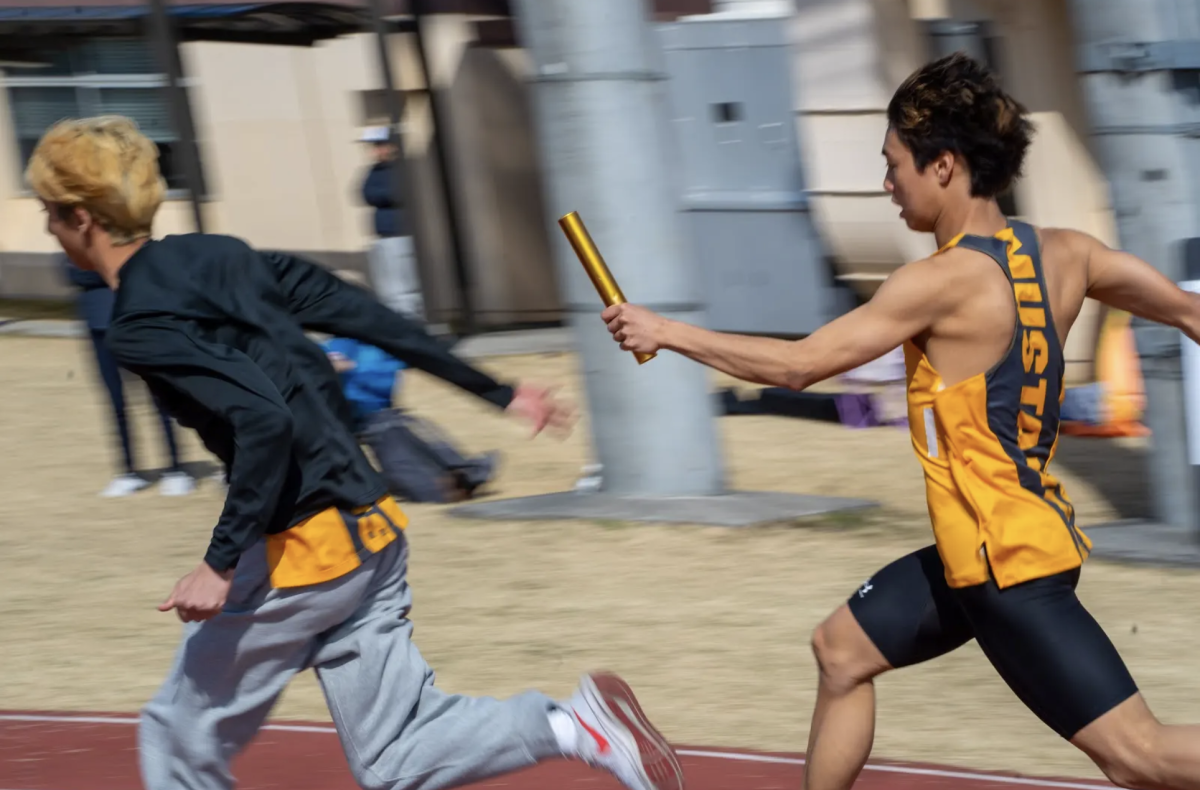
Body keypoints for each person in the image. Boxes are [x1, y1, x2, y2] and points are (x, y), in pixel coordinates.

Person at [27, 115, 683, 790]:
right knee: (395, 756)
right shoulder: (220, 255)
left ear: (82, 217)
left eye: (51, 213)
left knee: (177, 735)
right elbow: (358, 311)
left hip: (299, 557)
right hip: (372, 532)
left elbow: (263, 422)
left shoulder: (137, 325)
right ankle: (578, 726)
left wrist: (219, 564)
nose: (49, 229)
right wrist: (495, 391)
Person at [602, 52, 1200, 790]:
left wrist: (668, 332)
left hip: (1004, 568)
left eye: (894, 166)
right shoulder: (1068, 254)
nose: (886, 185)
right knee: (841, 651)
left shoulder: (937, 283)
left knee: (1138, 757)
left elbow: (799, 367)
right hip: (998, 544)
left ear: (943, 165)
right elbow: (1188, 312)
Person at [323, 269, 498, 502]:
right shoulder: (339, 343)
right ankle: (442, 481)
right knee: (406, 458)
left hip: (380, 416)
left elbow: (421, 355)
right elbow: (321, 364)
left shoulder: (378, 342)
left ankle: (462, 470)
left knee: (413, 427)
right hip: (346, 421)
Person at [60, 253, 194, 497]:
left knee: (158, 399)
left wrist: (98, 269)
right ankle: (128, 471)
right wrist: (104, 269)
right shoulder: (73, 239)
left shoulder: (121, 231)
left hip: (135, 323)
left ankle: (176, 469)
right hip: (97, 325)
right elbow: (73, 274)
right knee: (115, 402)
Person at [360, 125, 424, 320]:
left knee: (406, 289)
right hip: (383, 236)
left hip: (401, 235)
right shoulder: (375, 170)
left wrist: (381, 196)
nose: (376, 150)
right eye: (373, 146)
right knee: (388, 292)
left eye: (380, 145)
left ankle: (415, 327)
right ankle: (399, 330)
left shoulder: (404, 168)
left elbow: (399, 194)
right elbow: (366, 194)